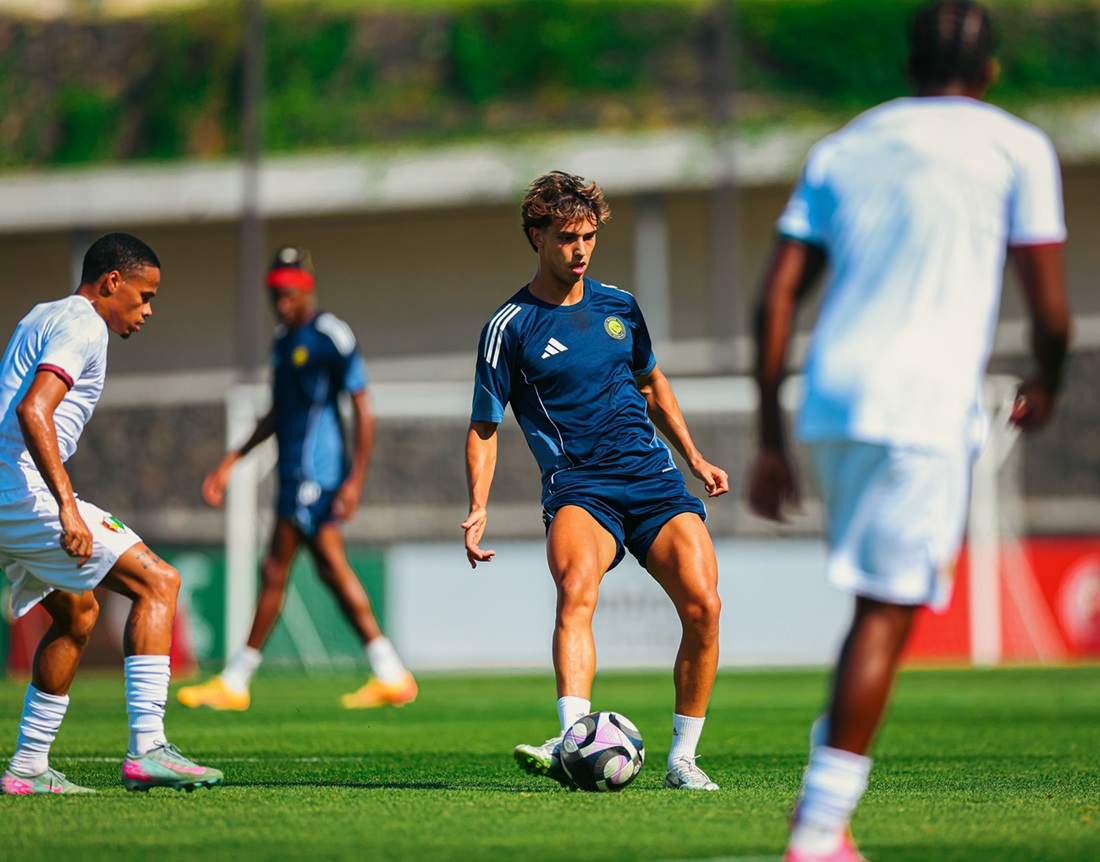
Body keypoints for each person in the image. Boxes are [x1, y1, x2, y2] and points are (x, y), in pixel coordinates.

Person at [746, 3, 1071, 860]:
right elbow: (1052, 313)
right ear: (990, 70)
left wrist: (772, 437)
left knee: (872, 611)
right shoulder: (1016, 147)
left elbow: (774, 296)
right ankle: (817, 833)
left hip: (832, 400)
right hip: (920, 407)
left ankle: (825, 814)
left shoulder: (847, 145)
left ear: (909, 64)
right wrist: (1049, 382)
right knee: (885, 617)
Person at [463, 171, 729, 791]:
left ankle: (683, 760)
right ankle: (571, 736)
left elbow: (652, 383)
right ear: (537, 237)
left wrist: (693, 456)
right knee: (576, 586)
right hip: (580, 485)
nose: (580, 250)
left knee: (706, 607)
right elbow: (484, 426)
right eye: (566, 238)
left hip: (653, 479)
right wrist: (478, 506)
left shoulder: (620, 306)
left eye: (588, 237)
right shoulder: (510, 326)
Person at [0, 233, 223, 794]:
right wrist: (67, 508)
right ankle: (148, 748)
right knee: (159, 582)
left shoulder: (42, 314)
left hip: (7, 494)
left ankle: (28, 767)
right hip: (18, 490)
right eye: (144, 295)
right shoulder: (84, 324)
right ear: (111, 283)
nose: (147, 310)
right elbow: (34, 410)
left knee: (76, 615)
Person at [178, 246, 416, 711]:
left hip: (316, 476)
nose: (280, 301)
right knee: (325, 569)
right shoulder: (285, 341)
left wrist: (354, 480)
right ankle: (390, 672)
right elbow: (278, 413)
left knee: (278, 570)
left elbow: (363, 410)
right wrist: (233, 459)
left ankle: (236, 681)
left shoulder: (330, 334)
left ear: (306, 288)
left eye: (288, 292)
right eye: (274, 293)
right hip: (293, 475)